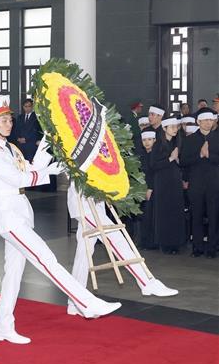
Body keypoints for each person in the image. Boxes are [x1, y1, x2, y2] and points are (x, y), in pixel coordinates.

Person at [0, 95, 121, 345]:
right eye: (3, 120)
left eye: (9, 119)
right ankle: (86, 303)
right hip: (8, 214)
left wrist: (49, 141)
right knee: (46, 259)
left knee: (12, 274)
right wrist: (51, 172)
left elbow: (30, 169)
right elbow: (19, 180)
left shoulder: (9, 148)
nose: (9, 124)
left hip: (19, 212)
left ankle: (3, 326)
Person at [66, 182, 178, 310]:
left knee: (84, 254)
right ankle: (147, 282)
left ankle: (74, 300)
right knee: (117, 239)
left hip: (92, 203)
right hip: (85, 205)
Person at [181, 108, 218, 258]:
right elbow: (183, 161)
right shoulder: (190, 139)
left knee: (214, 215)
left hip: (214, 182)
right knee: (196, 215)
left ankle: (212, 248)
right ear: (199, 121)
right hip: (195, 183)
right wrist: (199, 155)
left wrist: (209, 155)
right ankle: (197, 247)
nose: (209, 123)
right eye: (206, 120)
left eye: (211, 120)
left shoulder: (217, 137)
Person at [149, 116, 185, 255]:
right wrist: (170, 158)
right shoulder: (158, 144)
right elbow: (153, 165)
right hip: (162, 182)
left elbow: (182, 163)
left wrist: (177, 159)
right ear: (164, 128)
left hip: (175, 182)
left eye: (176, 127)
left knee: (175, 211)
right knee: (164, 212)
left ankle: (175, 242)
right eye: (172, 127)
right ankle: (164, 243)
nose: (175, 130)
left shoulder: (178, 143)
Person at [10, 98, 42, 162]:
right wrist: (18, 138)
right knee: (21, 164)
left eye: (29, 106)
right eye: (25, 106)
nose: (27, 108)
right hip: (20, 145)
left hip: (31, 145)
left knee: (30, 164)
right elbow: (16, 129)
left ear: (32, 107)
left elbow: (36, 131)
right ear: (23, 107)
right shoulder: (20, 117)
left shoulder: (37, 117)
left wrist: (26, 139)